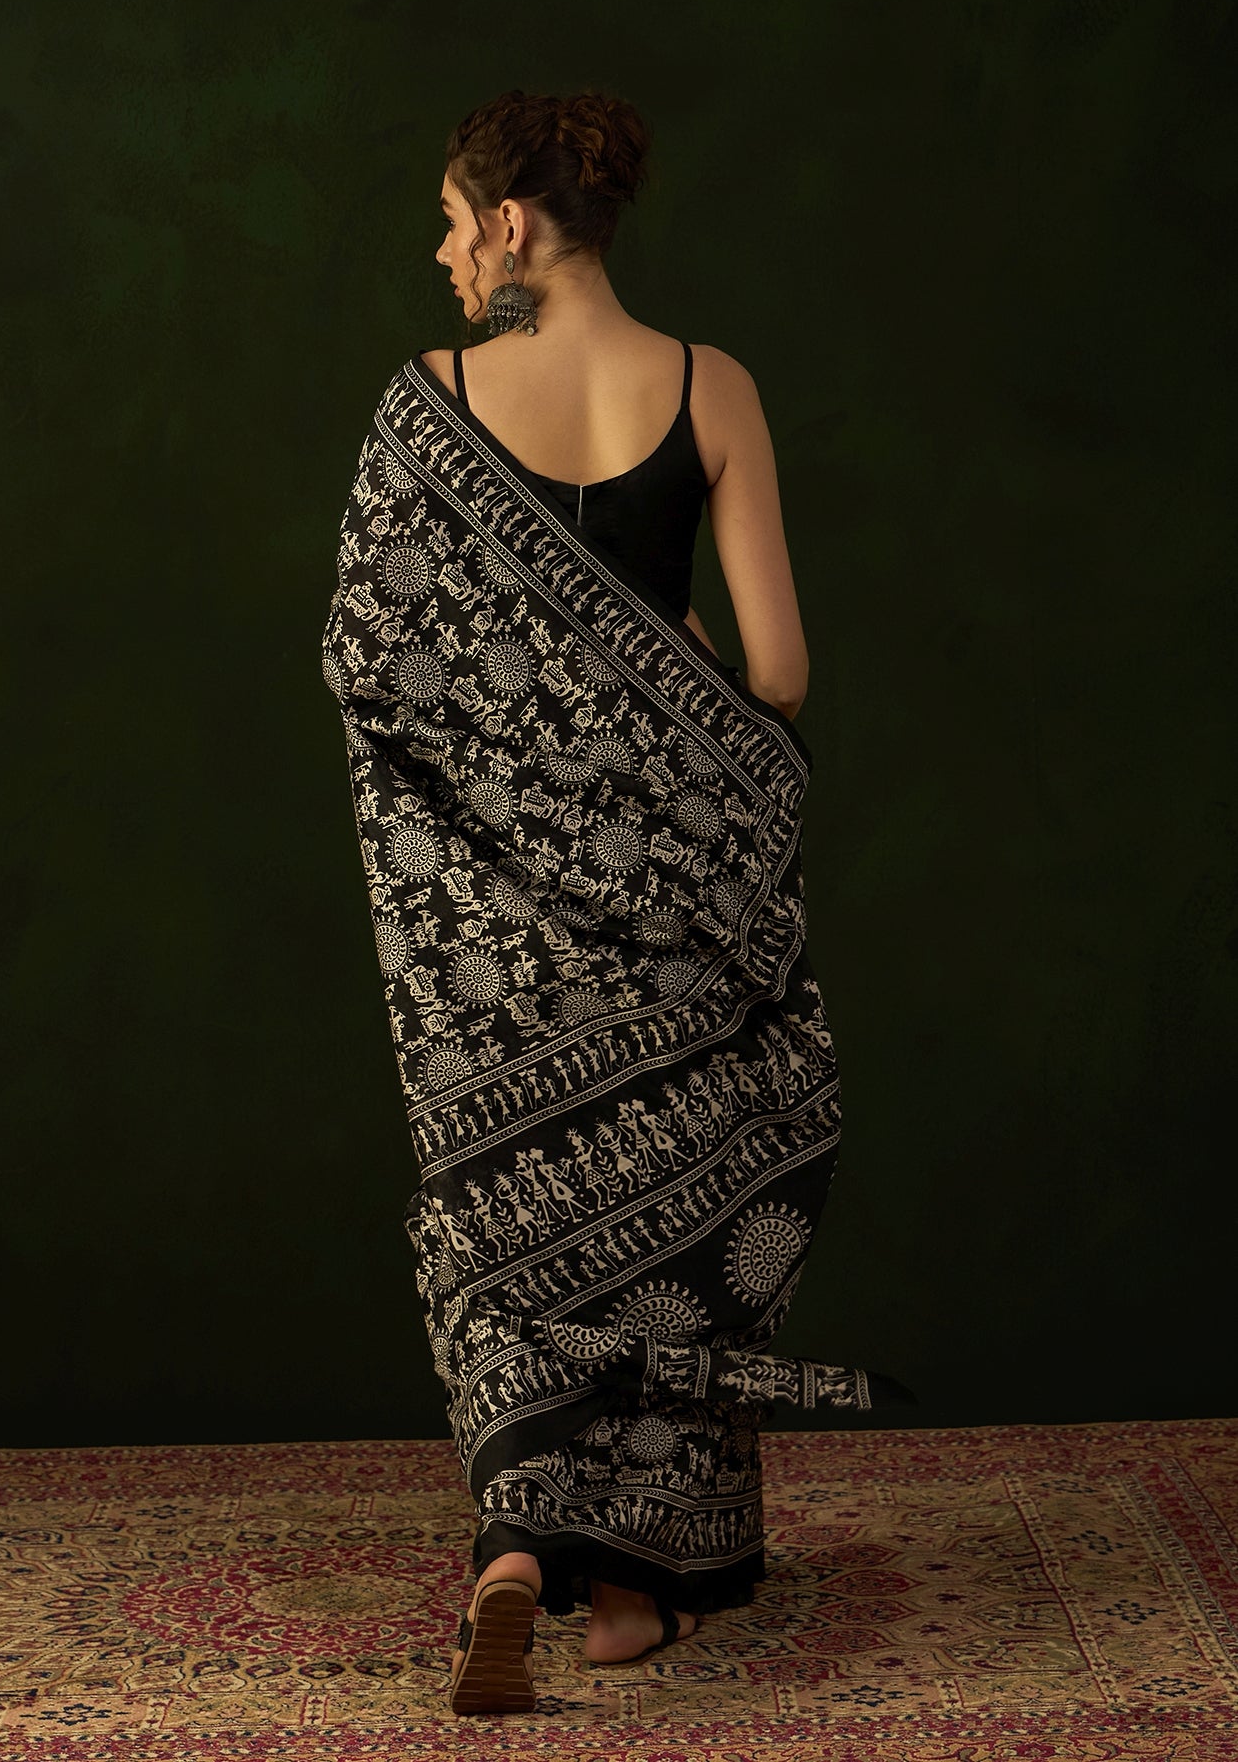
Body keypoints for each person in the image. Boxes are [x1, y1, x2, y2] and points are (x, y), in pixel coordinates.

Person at [320, 88, 907, 1716]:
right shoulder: (711, 386)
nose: (446, 258)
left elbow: (375, 664)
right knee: (683, 1224)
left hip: (500, 945)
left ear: (511, 224)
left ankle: (515, 1551)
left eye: (454, 225)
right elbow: (776, 674)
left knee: (512, 1235)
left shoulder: (429, 406)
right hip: (690, 916)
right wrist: (661, 666)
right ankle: (637, 1590)